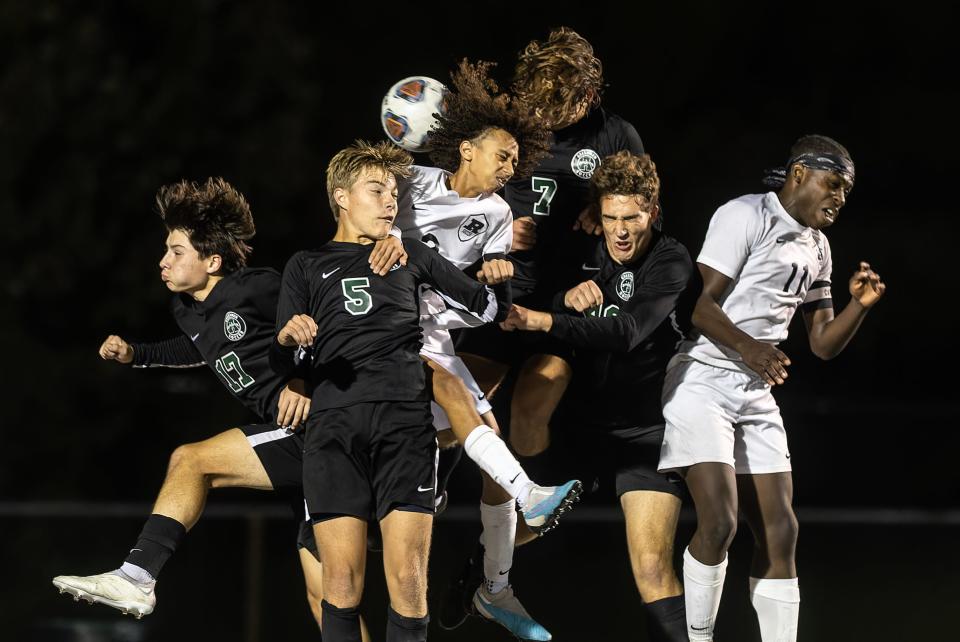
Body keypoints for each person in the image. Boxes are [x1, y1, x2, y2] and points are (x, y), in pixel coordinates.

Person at [51, 178, 400, 639]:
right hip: (306, 451)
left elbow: (326, 315)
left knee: (191, 460)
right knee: (328, 597)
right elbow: (198, 347)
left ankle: (137, 577)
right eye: (166, 250)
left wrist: (302, 379)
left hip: (319, 429)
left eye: (176, 251)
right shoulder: (187, 310)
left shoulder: (255, 287)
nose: (164, 260)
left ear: (212, 261)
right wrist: (137, 354)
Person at [270, 140, 522, 642]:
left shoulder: (412, 254)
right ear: (341, 198)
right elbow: (284, 354)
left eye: (393, 192)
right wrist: (290, 336)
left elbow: (490, 308)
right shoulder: (306, 263)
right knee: (340, 583)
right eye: (377, 190)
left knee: (408, 581)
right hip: (335, 428)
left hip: (405, 426)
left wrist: (500, 275)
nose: (391, 201)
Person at [658, 135, 886, 642]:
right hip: (704, 374)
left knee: (782, 531)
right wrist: (751, 349)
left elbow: (823, 344)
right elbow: (698, 307)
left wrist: (859, 306)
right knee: (719, 523)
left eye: (847, 191)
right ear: (799, 174)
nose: (840, 198)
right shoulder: (745, 214)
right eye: (834, 184)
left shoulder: (819, 247)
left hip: (754, 387)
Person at [396, 60, 575, 641]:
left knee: (484, 437)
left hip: (436, 334)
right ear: (466, 149)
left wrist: (490, 277)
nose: (510, 168)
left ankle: (496, 588)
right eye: (502, 155)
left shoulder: (497, 216)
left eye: (516, 162)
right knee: (458, 408)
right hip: (388, 327)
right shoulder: (408, 182)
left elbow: (473, 309)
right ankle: (530, 494)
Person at [501, 151, 691, 642]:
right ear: (597, 214)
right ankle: (482, 574)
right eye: (610, 218)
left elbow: (628, 331)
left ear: (651, 209)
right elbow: (530, 303)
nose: (621, 230)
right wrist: (561, 302)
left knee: (651, 566)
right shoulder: (578, 246)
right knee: (511, 534)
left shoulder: (670, 259)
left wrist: (547, 318)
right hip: (578, 432)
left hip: (644, 434)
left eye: (631, 217)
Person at [456, 26, 649, 467]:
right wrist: (499, 230)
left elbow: (650, 220)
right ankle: (446, 498)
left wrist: (607, 212)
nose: (540, 117)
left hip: (568, 305)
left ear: (586, 95)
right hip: (504, 293)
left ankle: (534, 516)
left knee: (528, 409)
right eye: (535, 104)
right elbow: (464, 201)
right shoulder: (511, 130)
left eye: (552, 107)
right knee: (456, 407)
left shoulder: (616, 137)